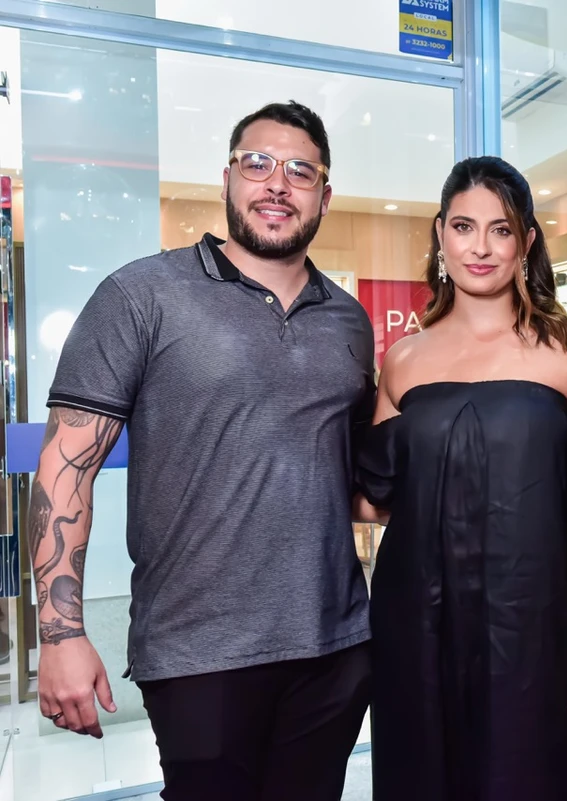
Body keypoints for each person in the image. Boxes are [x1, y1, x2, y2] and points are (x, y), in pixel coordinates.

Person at [32, 101, 374, 800]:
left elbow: (355, 477)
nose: (278, 183)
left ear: (325, 196)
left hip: (335, 644)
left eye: (301, 171)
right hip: (197, 649)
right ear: (228, 177)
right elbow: (65, 469)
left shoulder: (349, 318)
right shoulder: (141, 294)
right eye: (259, 163)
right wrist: (60, 632)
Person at [353, 155, 567, 801]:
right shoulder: (402, 358)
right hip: (413, 626)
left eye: (501, 229)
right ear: (440, 234)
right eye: (463, 226)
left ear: (527, 242)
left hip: (533, 630)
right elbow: (378, 499)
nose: (480, 246)